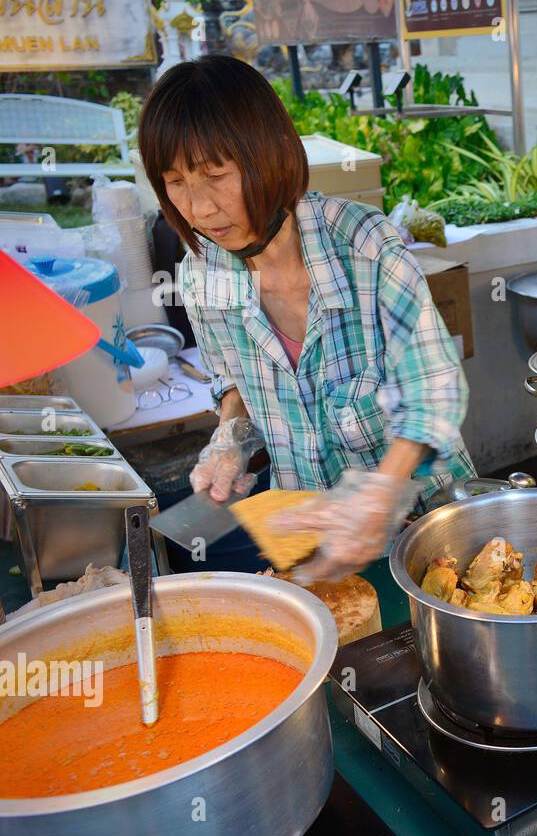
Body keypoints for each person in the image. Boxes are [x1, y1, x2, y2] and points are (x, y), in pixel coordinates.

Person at [138, 55, 474, 583]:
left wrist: (378, 494)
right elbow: (234, 380)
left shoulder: (366, 246)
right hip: (307, 543)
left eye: (215, 176)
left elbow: (433, 393)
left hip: (427, 537)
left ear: (268, 157)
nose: (198, 208)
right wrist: (231, 439)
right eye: (175, 182)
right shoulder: (202, 275)